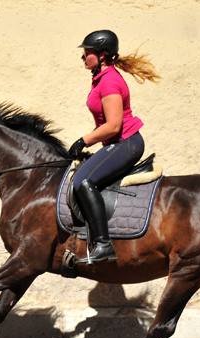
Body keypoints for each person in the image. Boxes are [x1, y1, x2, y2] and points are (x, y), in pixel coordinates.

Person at [69, 30, 161, 264]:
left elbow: (113, 125)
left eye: (87, 53)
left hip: (126, 142)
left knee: (83, 181)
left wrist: (83, 140)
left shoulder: (109, 80)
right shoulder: (101, 77)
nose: (83, 57)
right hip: (117, 143)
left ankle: (103, 245)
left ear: (103, 55)